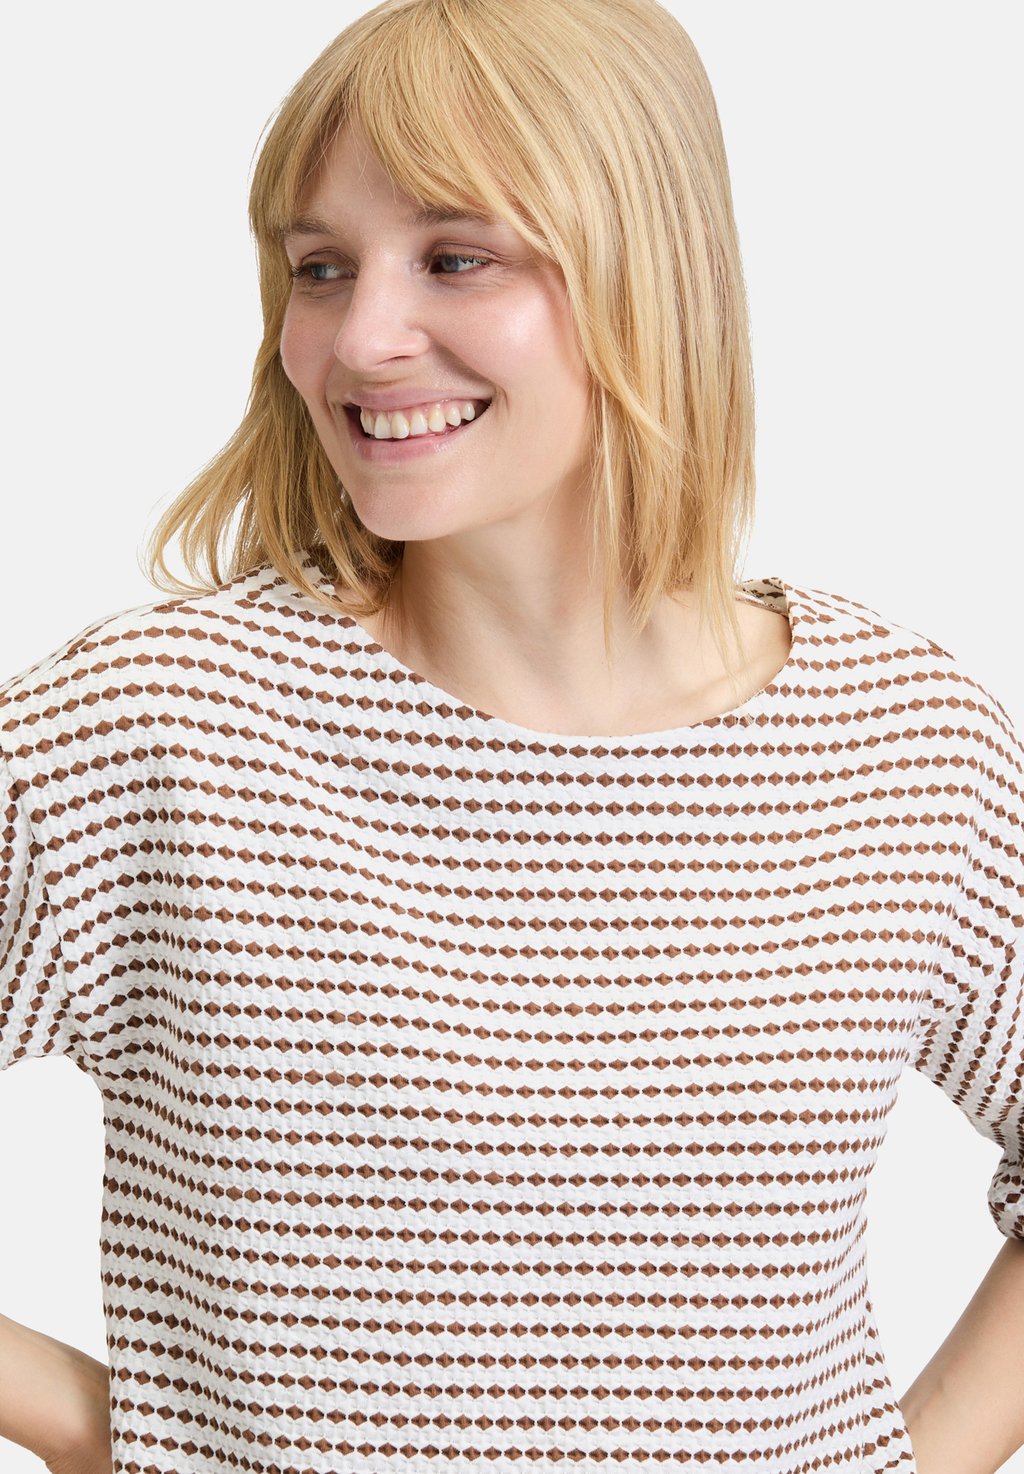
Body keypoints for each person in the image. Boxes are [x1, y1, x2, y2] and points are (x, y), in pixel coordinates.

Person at [1, 1, 1022, 1471]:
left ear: (648, 272)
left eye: (456, 257)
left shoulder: (906, 748)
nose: (359, 339)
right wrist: (102, 1428)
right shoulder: (149, 734)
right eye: (320, 268)